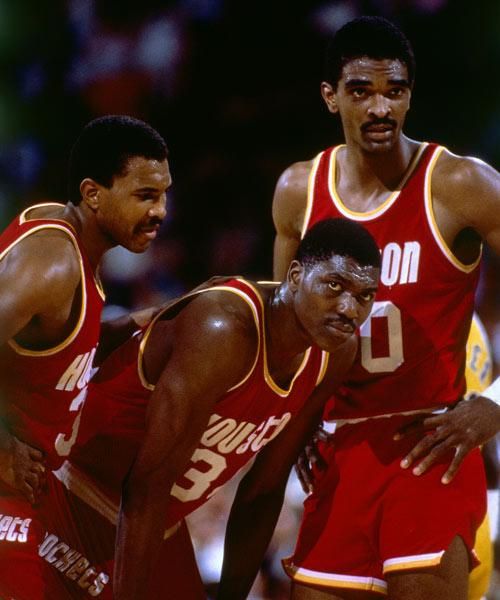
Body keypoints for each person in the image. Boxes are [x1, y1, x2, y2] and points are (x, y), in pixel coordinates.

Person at [228, 15, 500, 600]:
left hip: (431, 443)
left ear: (409, 96)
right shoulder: (299, 191)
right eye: (361, 91)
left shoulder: (459, 183)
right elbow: (284, 333)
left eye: (394, 91)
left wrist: (497, 402)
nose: (380, 108)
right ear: (330, 97)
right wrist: (289, 423)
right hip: (337, 451)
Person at [38, 218, 380, 598]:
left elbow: (263, 491)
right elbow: (147, 484)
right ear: (296, 275)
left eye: (365, 296)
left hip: (157, 525)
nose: (349, 309)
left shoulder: (334, 353)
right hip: (75, 492)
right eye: (334, 286)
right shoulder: (223, 329)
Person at [0, 114, 170, 600]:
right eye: (145, 196)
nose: (161, 211)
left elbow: (50, 346)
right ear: (93, 193)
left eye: (164, 194)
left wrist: (154, 319)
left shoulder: (70, 249)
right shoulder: (54, 260)